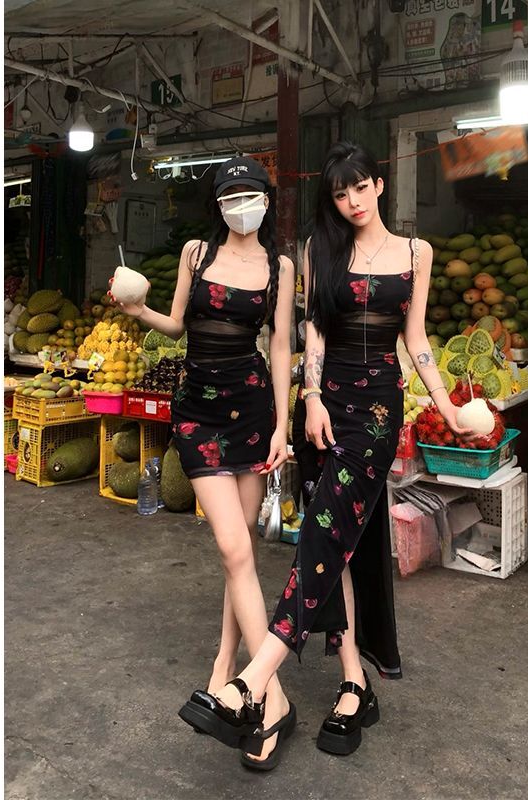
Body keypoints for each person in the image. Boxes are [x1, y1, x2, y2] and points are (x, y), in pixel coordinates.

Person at [178, 142, 476, 763]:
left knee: (320, 535)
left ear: (379, 186)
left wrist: (447, 407)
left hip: (376, 412)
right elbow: (312, 331)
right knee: (333, 545)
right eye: (341, 193)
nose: (352, 201)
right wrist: (310, 398)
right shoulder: (319, 250)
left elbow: (415, 338)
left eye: (361, 187)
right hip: (323, 410)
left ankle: (252, 681)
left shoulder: (416, 253)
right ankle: (351, 681)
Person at [109, 156, 296, 770]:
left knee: (239, 555)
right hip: (198, 414)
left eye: (252, 193)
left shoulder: (280, 267)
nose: (243, 204)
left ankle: (226, 667)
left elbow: (279, 346)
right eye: (232, 195)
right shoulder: (197, 253)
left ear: (266, 199)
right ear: (218, 205)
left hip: (252, 412)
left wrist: (282, 425)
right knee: (233, 549)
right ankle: (271, 697)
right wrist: (138, 312)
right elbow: (175, 326)